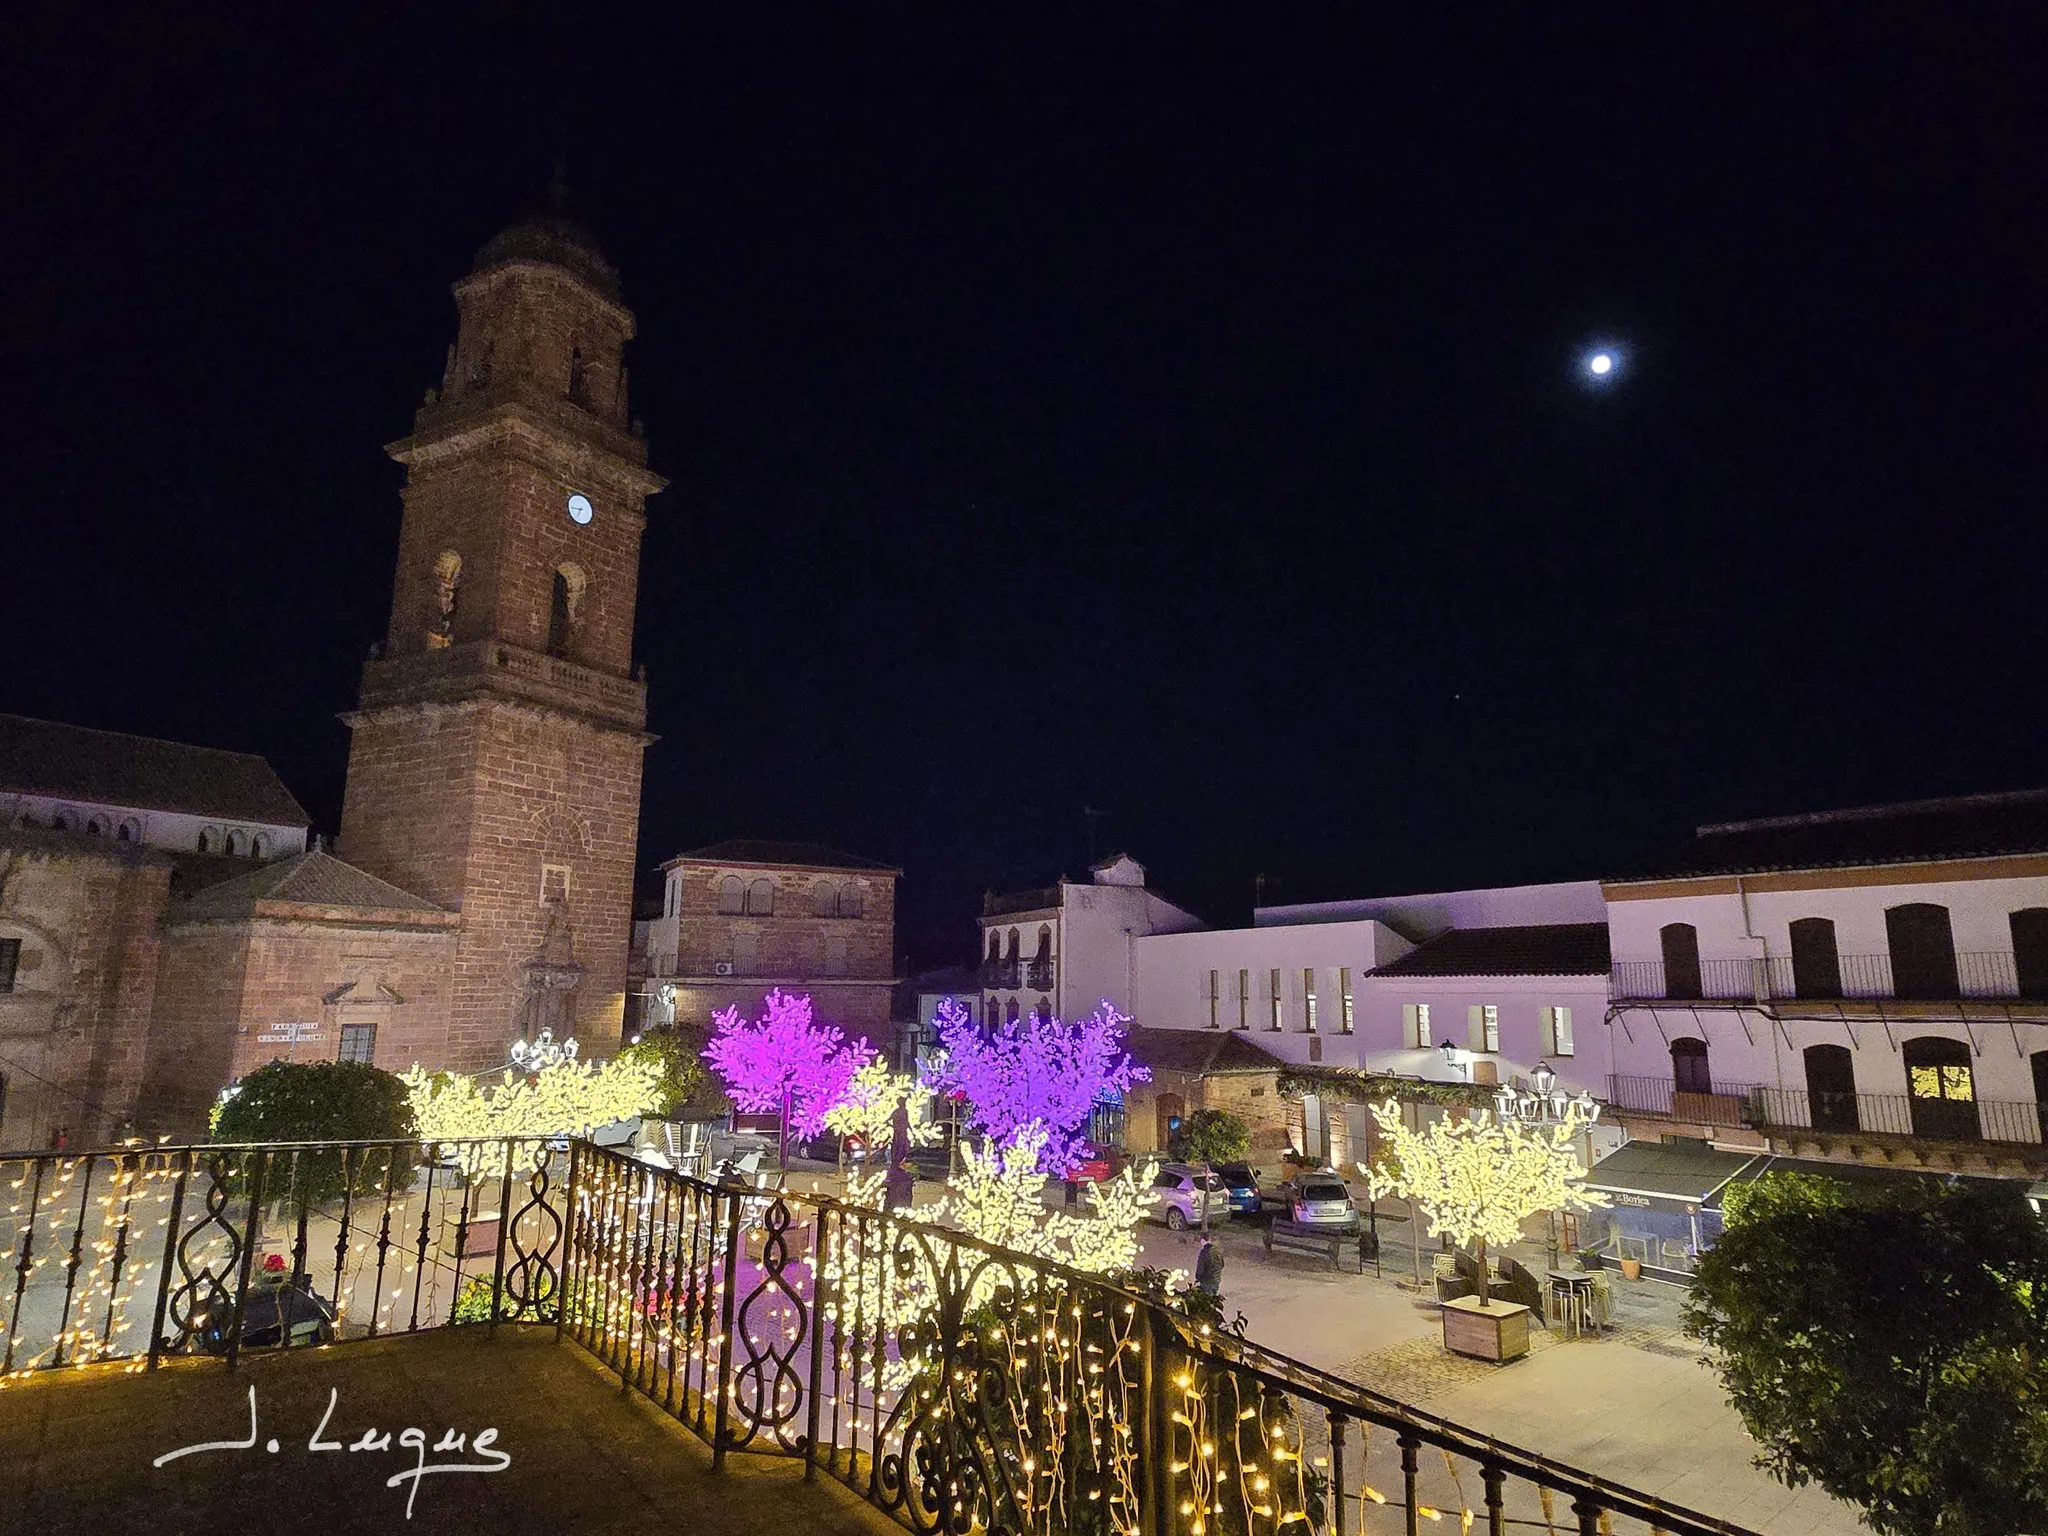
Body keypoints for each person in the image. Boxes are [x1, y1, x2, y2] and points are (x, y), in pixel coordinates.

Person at [1194, 1234, 1224, 1298]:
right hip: (1216, 1280)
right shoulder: (1218, 1250)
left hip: (1207, 1281)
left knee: (1206, 1299)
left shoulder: (1204, 1252)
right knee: (1213, 1297)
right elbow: (1222, 1265)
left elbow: (1200, 1268)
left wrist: (1198, 1278)